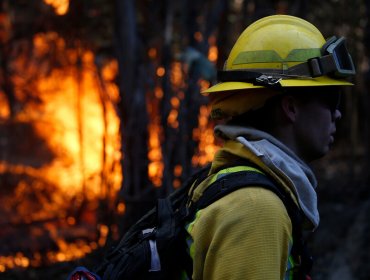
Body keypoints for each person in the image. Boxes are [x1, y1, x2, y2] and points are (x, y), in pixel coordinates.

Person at [184, 15, 355, 279]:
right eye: (331, 98)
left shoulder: (235, 186)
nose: (338, 114)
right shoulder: (257, 209)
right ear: (291, 107)